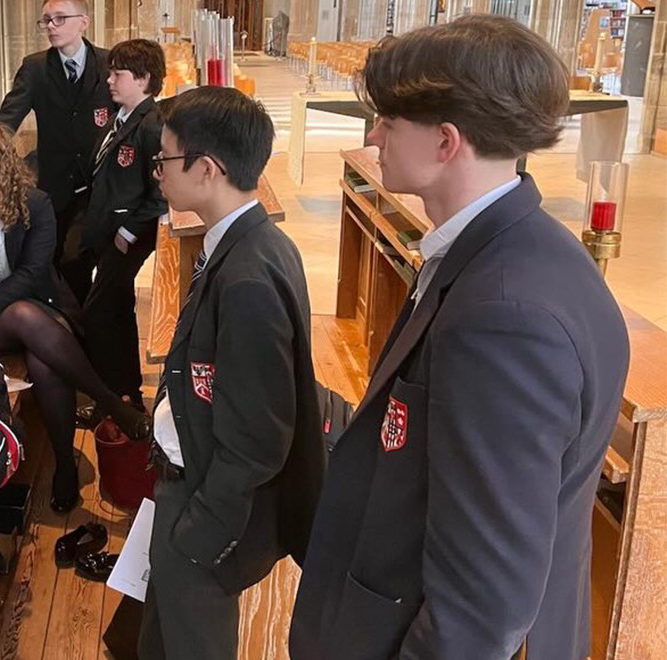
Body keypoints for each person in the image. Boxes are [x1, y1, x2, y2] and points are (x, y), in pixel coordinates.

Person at [290, 16, 630, 660]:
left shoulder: (507, 318)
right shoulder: (509, 247)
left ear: (447, 142)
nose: (374, 136)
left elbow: (482, 605)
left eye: (388, 121)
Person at [136, 86, 324, 659]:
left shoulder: (246, 277)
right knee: (160, 642)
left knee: (194, 645)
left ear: (207, 168)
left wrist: (201, 531)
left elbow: (260, 438)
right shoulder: (246, 243)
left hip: (207, 506)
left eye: (165, 159)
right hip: (187, 481)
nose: (158, 172)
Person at [0, 124, 149, 513]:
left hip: (36, 310)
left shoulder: (36, 205)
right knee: (21, 317)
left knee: (43, 362)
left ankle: (64, 467)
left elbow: (32, 274)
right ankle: (112, 405)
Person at [75, 39, 168, 411]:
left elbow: (160, 192)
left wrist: (127, 232)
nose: (110, 80)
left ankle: (109, 399)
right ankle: (127, 392)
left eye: (118, 74)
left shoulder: (152, 126)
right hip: (105, 231)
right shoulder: (121, 118)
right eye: (110, 72)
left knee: (97, 315)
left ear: (143, 78)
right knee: (117, 311)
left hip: (127, 238)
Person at [0, 0, 114, 271]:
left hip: (100, 185)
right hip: (55, 185)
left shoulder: (109, 63)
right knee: (57, 263)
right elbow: (6, 121)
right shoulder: (35, 68)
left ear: (84, 21)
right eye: (46, 19)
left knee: (93, 263)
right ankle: (65, 314)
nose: (50, 25)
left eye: (59, 18)